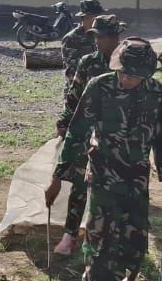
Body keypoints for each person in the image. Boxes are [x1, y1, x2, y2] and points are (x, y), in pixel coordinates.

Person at [45, 37, 162, 281]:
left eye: (135, 75)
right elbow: (76, 132)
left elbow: (161, 135)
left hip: (136, 182)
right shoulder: (99, 86)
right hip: (103, 180)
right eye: (124, 73)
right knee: (100, 255)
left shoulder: (155, 92)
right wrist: (58, 176)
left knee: (132, 251)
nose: (127, 79)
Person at [54, 14, 126, 256]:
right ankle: (70, 234)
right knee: (79, 182)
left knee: (116, 185)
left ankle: (112, 237)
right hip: (88, 132)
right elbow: (73, 98)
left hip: (118, 135)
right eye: (95, 37)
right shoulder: (87, 63)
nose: (97, 41)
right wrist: (64, 121)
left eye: (101, 37)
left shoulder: (130, 63)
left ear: (114, 38)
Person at [60, 0, 105, 84]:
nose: (102, 19)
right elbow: (73, 68)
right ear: (87, 17)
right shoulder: (71, 38)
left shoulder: (101, 35)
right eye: (98, 16)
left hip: (98, 87)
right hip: (78, 88)